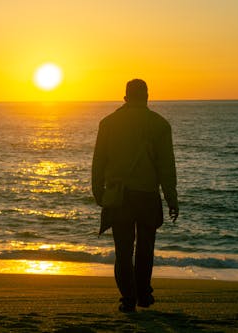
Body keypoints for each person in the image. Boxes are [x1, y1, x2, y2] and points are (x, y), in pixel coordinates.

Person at [91, 79, 179, 312]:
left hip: (119, 196)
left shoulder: (108, 123)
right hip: (148, 195)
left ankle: (127, 298)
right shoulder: (159, 125)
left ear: (125, 98)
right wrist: (171, 198)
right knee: (145, 247)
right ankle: (143, 294)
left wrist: (98, 191)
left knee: (123, 249)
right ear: (147, 96)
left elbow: (98, 162)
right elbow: (166, 166)